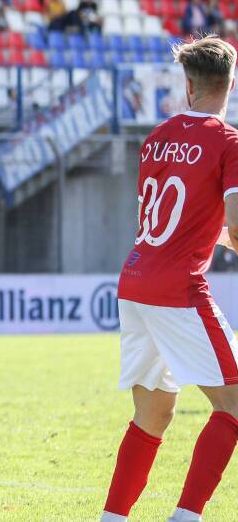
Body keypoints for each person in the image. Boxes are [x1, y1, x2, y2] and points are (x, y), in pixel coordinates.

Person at [101, 36, 238, 522]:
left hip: (136, 281)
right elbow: (236, 221)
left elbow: (166, 217)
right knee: (235, 404)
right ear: (231, 83)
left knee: (153, 414)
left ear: (187, 85)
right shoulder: (228, 141)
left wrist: (218, 236)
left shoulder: (157, 137)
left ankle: (113, 517)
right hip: (179, 288)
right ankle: (187, 516)